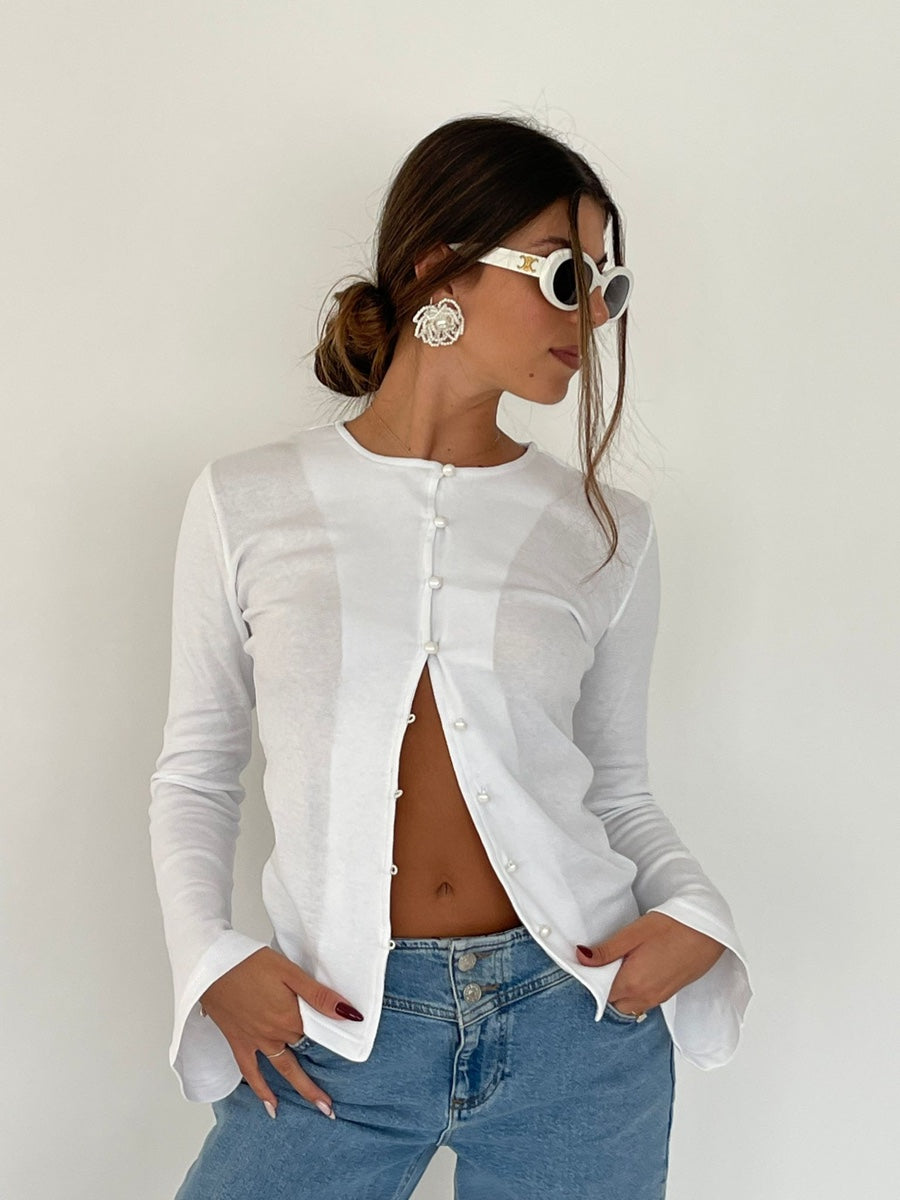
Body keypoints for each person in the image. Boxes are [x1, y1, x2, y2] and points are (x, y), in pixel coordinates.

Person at [149, 113, 752, 1199]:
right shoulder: (248, 501)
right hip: (332, 1028)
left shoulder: (606, 529)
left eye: (608, 286)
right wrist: (211, 960)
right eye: (566, 275)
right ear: (441, 267)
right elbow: (196, 774)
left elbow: (616, 790)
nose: (594, 315)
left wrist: (699, 915)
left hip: (577, 1021)